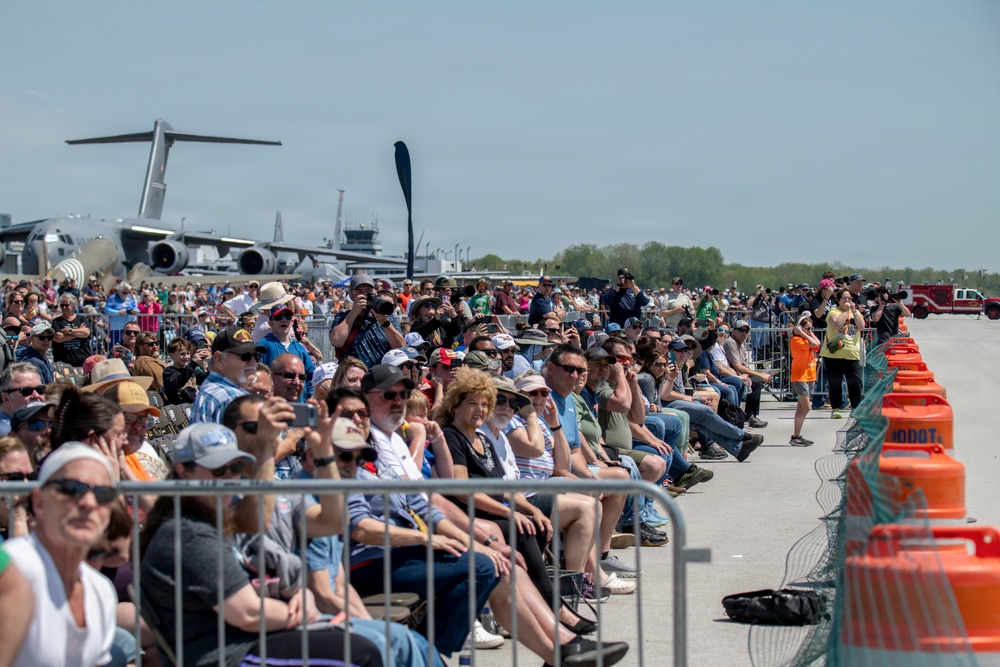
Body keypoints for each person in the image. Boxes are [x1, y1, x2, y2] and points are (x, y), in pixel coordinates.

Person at [139, 422, 383, 667]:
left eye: (235, 468)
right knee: (360, 653)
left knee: (366, 642)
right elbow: (247, 612)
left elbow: (331, 524)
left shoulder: (216, 520)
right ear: (183, 472)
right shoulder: (188, 533)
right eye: (217, 470)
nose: (229, 478)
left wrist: (300, 594)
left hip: (254, 640)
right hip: (228, 654)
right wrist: (298, 610)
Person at [5, 443, 119, 667]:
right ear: (39, 502)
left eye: (103, 494)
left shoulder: (101, 591)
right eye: (70, 489)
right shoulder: (12, 569)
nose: (88, 502)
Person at [190, 327, 265, 424]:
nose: (253, 363)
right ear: (219, 359)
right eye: (245, 356)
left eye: (257, 357)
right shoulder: (233, 398)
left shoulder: (210, 387)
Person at [329, 273, 404, 368]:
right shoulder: (342, 317)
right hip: (353, 377)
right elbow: (336, 341)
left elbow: (401, 348)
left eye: (369, 291)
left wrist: (385, 323)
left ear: (375, 293)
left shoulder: (388, 318)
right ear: (351, 296)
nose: (365, 295)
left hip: (382, 377)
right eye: (359, 292)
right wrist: (354, 313)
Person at [820, 289, 866, 417]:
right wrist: (846, 311)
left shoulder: (855, 312)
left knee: (855, 383)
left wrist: (854, 312)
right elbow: (836, 324)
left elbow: (861, 327)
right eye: (845, 298)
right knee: (835, 383)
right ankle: (835, 409)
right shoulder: (833, 312)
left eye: (850, 298)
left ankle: (856, 408)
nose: (848, 301)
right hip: (834, 354)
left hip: (852, 354)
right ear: (839, 300)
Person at [256, 304, 317, 398]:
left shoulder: (299, 348)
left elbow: (311, 375)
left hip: (299, 405)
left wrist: (309, 397)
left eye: (288, 317)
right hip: (274, 405)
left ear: (291, 322)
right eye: (278, 317)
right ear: (270, 323)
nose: (284, 319)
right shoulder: (262, 346)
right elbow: (257, 376)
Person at [722, 320, 770, 429]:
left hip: (738, 373)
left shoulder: (741, 344)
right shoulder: (730, 342)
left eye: (746, 331)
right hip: (729, 374)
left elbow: (744, 366)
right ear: (733, 331)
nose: (744, 333)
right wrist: (759, 375)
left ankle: (751, 415)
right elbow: (738, 366)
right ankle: (748, 416)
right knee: (756, 381)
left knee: (757, 381)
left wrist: (759, 374)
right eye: (741, 330)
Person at [789, 313, 821, 446]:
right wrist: (802, 333)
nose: (810, 331)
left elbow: (818, 344)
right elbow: (814, 343)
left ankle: (796, 435)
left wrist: (807, 332)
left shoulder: (805, 338)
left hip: (809, 375)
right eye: (807, 328)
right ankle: (796, 435)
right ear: (799, 328)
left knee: (801, 408)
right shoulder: (797, 340)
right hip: (800, 375)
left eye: (811, 329)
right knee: (806, 407)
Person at [0, 363, 45, 437]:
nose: (36, 395)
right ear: (6, 398)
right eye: (26, 391)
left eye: (40, 389)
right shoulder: (6, 434)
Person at [162, 338, 209, 404]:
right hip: (178, 410)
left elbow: (208, 379)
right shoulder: (168, 372)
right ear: (171, 355)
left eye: (188, 353)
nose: (186, 357)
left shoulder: (192, 371)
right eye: (182, 354)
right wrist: (193, 363)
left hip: (191, 407)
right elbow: (178, 382)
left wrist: (211, 363)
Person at [51, 294, 92, 368]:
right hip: (63, 363)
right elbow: (58, 338)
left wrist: (69, 331)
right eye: (62, 305)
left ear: (73, 306)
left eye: (66, 305)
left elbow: (86, 333)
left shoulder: (81, 318)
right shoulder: (56, 321)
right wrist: (78, 332)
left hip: (82, 361)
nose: (64, 307)